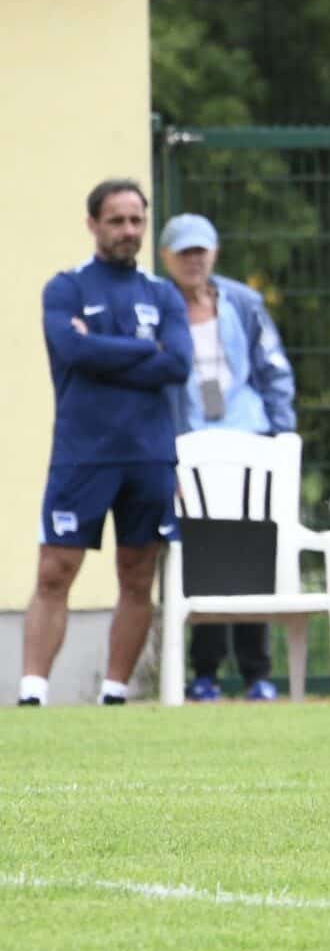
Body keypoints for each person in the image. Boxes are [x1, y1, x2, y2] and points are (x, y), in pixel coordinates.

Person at [22, 179, 192, 706]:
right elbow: (72, 351)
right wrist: (143, 350)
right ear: (93, 224)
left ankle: (114, 694)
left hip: (149, 455)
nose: (128, 231)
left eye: (137, 220)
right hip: (83, 454)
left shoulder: (162, 293)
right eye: (116, 221)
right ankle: (33, 693)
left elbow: (179, 363)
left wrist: (102, 349)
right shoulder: (65, 288)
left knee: (138, 573)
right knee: (56, 570)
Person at [159, 212, 299, 702]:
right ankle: (204, 672)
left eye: (201, 251)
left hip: (250, 437)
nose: (193, 261)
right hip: (188, 442)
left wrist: (283, 434)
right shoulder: (158, 305)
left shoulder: (243, 301)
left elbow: (273, 368)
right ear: (167, 257)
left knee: (252, 552)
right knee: (202, 555)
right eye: (184, 253)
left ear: (214, 252)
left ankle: (257, 672)